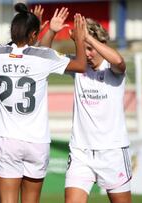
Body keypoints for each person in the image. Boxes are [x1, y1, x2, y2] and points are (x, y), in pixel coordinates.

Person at [0, 3, 87, 203]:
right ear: (33, 35)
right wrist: (79, 38)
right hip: (37, 142)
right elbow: (81, 65)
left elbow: (25, 50)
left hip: (7, 140)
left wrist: (40, 28)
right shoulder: (43, 57)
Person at [46, 18, 131, 203]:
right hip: (80, 152)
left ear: (101, 45)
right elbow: (42, 56)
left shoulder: (112, 68)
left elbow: (119, 61)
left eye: (90, 49)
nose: (87, 54)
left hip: (112, 151)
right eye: (83, 49)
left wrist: (87, 38)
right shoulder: (78, 65)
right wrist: (52, 31)